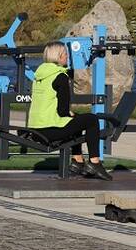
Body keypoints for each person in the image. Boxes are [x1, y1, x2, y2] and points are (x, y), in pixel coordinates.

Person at [30, 41, 111, 180]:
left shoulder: (39, 75)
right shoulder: (60, 76)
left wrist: (72, 115)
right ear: (58, 56)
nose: (67, 57)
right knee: (91, 119)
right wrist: (71, 114)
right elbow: (62, 111)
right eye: (65, 55)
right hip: (51, 129)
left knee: (77, 121)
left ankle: (78, 161)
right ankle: (94, 162)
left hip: (36, 129)